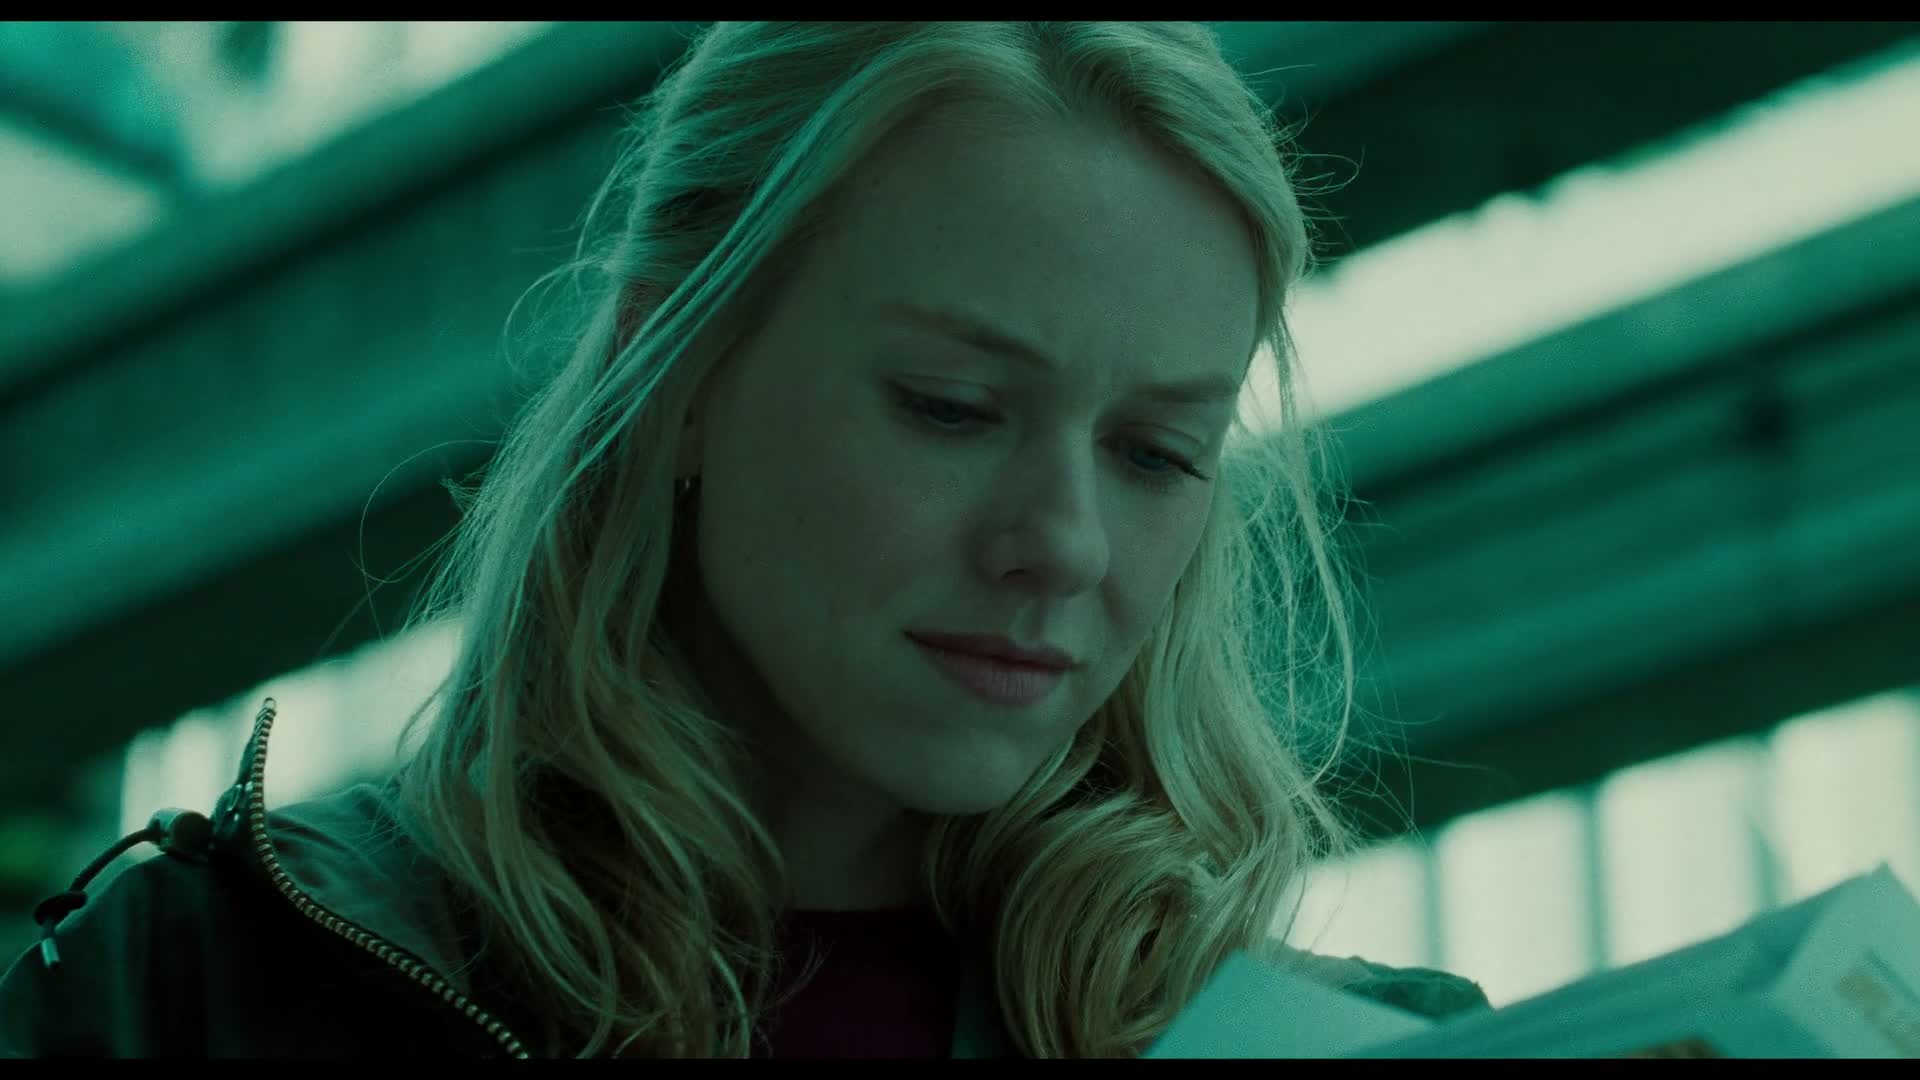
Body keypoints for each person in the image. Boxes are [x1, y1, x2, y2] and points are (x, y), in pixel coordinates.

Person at [0, 21, 1487, 1058]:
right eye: (954, 408)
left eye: (1159, 452)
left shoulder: (1371, 1057)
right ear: (679, 377)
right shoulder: (196, 987)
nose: (1065, 546)